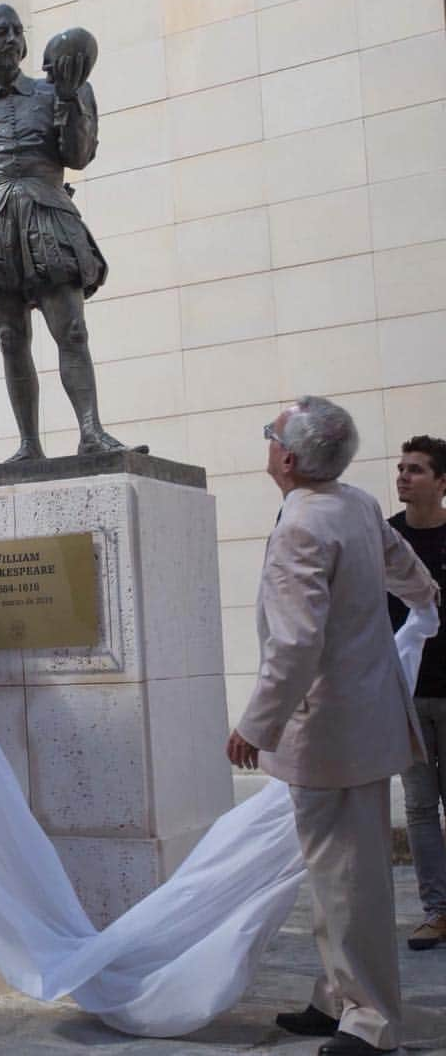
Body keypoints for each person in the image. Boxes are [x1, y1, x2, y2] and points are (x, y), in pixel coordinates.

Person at [226, 397, 438, 1056]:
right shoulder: (354, 503)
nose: (267, 445)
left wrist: (256, 725)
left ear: (287, 458)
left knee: (349, 881)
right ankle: (338, 996)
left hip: (332, 733)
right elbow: (400, 561)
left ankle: (370, 1023)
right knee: (337, 875)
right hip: (364, 722)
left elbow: (295, 646)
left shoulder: (305, 525)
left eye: (271, 437)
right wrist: (427, 596)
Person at [0, 4, 131, 462]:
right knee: (10, 337)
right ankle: (28, 444)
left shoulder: (55, 93)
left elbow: (77, 156)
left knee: (72, 329)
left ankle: (91, 431)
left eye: (17, 31)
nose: (12, 38)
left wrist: (68, 96)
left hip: (49, 217)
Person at [388, 435, 446, 951]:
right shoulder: (385, 538)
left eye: (417, 470)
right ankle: (437, 911)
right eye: (402, 468)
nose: (404, 476)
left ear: (442, 482)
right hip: (405, 696)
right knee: (421, 808)